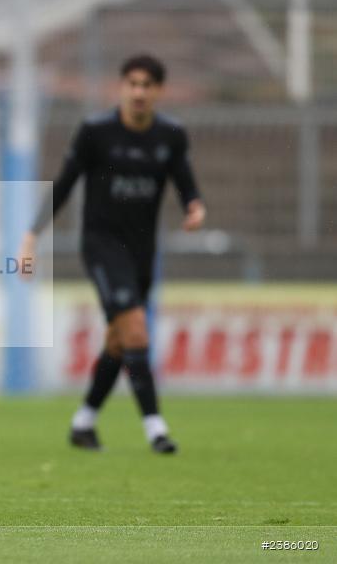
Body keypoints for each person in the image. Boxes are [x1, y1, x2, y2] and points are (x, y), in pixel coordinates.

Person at [19, 54, 205, 454]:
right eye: (132, 83)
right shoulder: (95, 132)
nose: (139, 91)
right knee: (136, 330)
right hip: (102, 246)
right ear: (122, 87)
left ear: (158, 91)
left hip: (142, 251)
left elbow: (186, 182)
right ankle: (156, 429)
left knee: (120, 340)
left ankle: (83, 423)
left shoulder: (170, 134)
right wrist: (32, 236)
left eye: (147, 85)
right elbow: (64, 185)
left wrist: (195, 206)